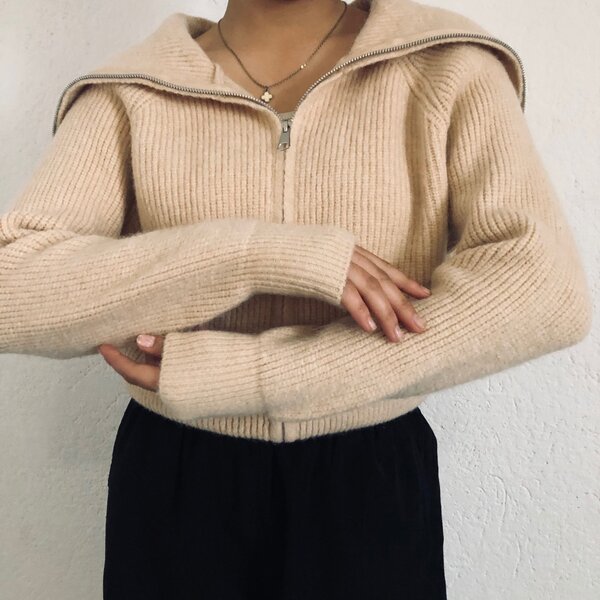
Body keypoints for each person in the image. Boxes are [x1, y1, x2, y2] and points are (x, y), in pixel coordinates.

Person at [0, 0, 592, 598]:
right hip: (176, 481)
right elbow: (13, 287)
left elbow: (543, 287)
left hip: (369, 485)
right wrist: (258, 254)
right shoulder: (132, 90)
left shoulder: (446, 64)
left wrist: (259, 373)